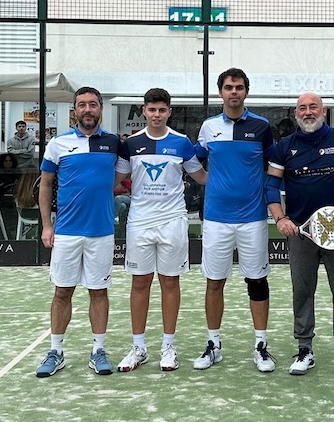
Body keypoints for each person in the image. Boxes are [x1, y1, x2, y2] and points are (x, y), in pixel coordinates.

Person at [265, 92, 334, 376]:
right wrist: (280, 218)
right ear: (295, 114)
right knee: (303, 291)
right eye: (302, 108)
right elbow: (270, 187)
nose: (308, 112)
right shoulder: (283, 148)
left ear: (324, 111)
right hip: (300, 233)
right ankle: (304, 349)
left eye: (313, 107)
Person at [115, 88, 207, 373]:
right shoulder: (130, 144)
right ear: (144, 111)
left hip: (173, 222)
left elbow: (201, 177)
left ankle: (168, 346)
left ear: (169, 111)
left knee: (169, 282)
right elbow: (116, 180)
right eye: (151, 110)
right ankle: (138, 348)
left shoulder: (181, 143)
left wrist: (235, 179)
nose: (156, 115)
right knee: (140, 283)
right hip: (140, 223)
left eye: (161, 110)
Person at [35, 86, 123, 378]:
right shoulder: (58, 144)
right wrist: (48, 225)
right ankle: (56, 351)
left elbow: (124, 174)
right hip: (67, 233)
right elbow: (45, 185)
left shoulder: (113, 143)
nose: (88, 109)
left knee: (99, 292)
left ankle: (98, 350)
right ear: (75, 110)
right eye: (82, 105)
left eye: (93, 105)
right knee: (63, 292)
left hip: (101, 232)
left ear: (100, 109)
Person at [192, 67, 276, 372]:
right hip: (216, 218)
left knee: (257, 281)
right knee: (215, 282)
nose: (234, 92)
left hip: (253, 218)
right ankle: (214, 344)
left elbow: (274, 166)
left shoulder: (262, 127)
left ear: (246, 92)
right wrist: (206, 180)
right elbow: (192, 159)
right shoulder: (208, 127)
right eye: (229, 87)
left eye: (239, 87)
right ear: (221, 92)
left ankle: (261, 346)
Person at [0, 153, 20, 238]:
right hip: (2, 202)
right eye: (5, 161)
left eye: (10, 161)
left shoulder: (18, 173)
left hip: (15, 200)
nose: (8, 163)